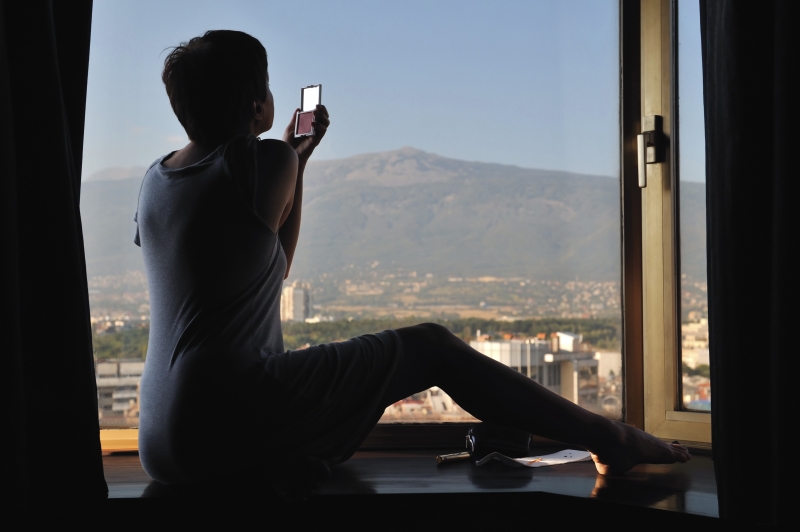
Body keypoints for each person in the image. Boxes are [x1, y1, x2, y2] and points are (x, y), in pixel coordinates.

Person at [135, 30, 690, 487]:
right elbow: (282, 256)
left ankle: (273, 463)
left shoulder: (155, 180)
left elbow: (265, 265)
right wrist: (295, 159)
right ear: (258, 104)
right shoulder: (265, 160)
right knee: (429, 345)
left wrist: (294, 159)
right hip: (229, 412)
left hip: (162, 442)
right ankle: (609, 437)